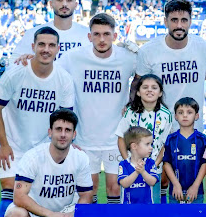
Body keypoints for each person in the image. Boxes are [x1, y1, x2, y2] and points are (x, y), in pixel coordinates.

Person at [0, 27, 74, 217]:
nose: (46, 49)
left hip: (41, 147)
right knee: (9, 190)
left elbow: (64, 118)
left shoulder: (63, 80)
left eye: (51, 45)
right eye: (42, 45)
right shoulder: (16, 73)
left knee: (35, 194)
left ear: (58, 49)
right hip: (13, 144)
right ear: (33, 47)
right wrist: (4, 144)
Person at [135, 0, 206, 132]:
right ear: (165, 22)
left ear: (190, 21)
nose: (179, 25)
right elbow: (137, 86)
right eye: (174, 20)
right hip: (159, 132)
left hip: (194, 130)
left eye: (184, 20)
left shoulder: (204, 47)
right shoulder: (149, 50)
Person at [57, 13, 136, 205]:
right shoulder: (73, 58)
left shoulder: (127, 58)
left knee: (115, 188)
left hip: (116, 138)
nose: (102, 39)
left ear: (115, 36)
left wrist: (140, 52)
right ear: (89, 36)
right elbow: (50, 72)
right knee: (88, 191)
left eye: (107, 34)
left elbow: (146, 74)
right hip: (85, 139)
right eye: (97, 34)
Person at [3, 109, 92, 217]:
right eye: (58, 129)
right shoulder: (33, 156)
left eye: (68, 130)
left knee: (92, 212)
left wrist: (73, 213)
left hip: (66, 214)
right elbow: (19, 197)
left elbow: (86, 195)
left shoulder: (80, 158)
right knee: (14, 216)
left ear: (74, 134)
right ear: (50, 132)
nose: (63, 134)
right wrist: (51, 215)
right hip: (36, 213)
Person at [116, 74, 173, 203]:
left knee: (152, 203)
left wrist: (155, 164)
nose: (149, 90)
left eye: (154, 87)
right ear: (138, 92)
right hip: (131, 168)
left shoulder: (166, 114)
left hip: (153, 168)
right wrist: (128, 162)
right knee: (130, 202)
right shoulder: (130, 112)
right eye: (145, 87)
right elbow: (120, 137)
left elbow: (166, 144)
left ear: (160, 93)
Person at [10, 0, 89, 62]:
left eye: (69, 0)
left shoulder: (88, 35)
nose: (64, 4)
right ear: (51, 4)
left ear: (76, 5)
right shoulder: (32, 34)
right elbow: (12, 65)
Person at [163, 97, 206, 204]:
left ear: (196, 116)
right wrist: (176, 184)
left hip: (196, 192)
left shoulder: (202, 139)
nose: (185, 115)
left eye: (189, 112)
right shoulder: (171, 139)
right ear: (175, 116)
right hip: (176, 191)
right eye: (180, 112)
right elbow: (166, 163)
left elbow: (205, 164)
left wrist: (196, 186)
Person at [118, 126, 159, 204]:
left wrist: (143, 172)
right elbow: (124, 183)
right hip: (128, 209)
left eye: (151, 144)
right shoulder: (123, 164)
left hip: (147, 208)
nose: (151, 148)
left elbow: (153, 182)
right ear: (134, 146)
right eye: (147, 144)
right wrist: (137, 172)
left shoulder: (150, 163)